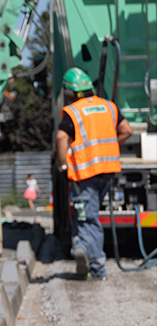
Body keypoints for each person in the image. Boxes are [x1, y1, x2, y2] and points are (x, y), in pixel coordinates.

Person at [55, 67, 132, 280]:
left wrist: (63, 165)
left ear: (71, 92)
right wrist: (108, 146)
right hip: (107, 171)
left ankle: (96, 265)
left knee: (88, 217)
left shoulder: (74, 111)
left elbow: (61, 137)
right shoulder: (109, 107)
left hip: (85, 171)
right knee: (84, 212)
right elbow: (127, 131)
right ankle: (81, 247)